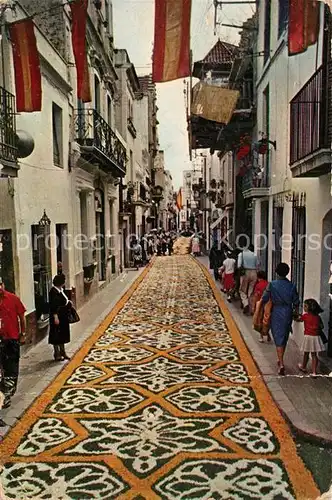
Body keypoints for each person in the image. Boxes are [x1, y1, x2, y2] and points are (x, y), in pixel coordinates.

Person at [262, 263, 299, 375]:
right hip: (287, 312)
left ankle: (281, 362)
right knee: (284, 336)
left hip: (277, 311)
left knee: (277, 335)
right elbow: (296, 301)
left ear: (276, 272)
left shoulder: (272, 284)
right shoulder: (291, 286)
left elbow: (264, 297)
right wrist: (295, 313)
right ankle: (280, 358)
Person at [0, 278, 26, 409]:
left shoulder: (13, 298)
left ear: (3, 284)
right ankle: (3, 396)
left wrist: (23, 334)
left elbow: (22, 317)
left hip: (11, 340)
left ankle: (8, 394)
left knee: (11, 369)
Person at [297, 299, 325, 377]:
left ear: (309, 308)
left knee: (306, 353)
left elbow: (299, 320)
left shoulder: (305, 316)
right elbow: (322, 326)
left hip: (308, 337)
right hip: (316, 337)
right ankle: (314, 372)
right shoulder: (318, 317)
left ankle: (303, 367)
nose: (304, 307)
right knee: (314, 355)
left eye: (305, 306)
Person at [49, 274, 72, 361]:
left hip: (63, 316)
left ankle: (63, 352)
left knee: (62, 334)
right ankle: (57, 353)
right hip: (57, 316)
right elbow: (53, 306)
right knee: (56, 335)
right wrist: (55, 317)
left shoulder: (61, 290)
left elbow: (64, 301)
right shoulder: (53, 292)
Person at [238, 244, 259, 314]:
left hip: (245, 273)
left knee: (242, 290)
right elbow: (258, 264)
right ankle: (251, 308)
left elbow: (239, 265)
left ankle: (245, 304)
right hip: (254, 273)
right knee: (251, 290)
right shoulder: (255, 255)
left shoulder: (242, 254)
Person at [251, 271, 270, 342]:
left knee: (259, 321)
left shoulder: (258, 285)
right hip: (268, 305)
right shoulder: (268, 284)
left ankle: (261, 337)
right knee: (266, 320)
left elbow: (256, 296)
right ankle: (268, 334)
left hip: (260, 305)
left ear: (258, 277)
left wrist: (253, 306)